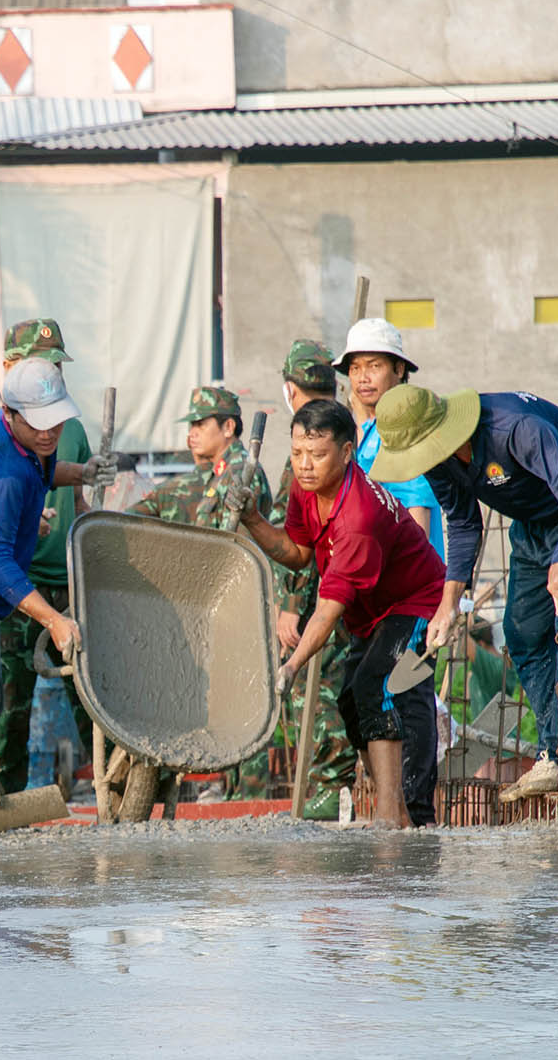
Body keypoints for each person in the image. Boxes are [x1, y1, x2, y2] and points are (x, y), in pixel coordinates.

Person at [369, 385, 558, 801]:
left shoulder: (514, 429)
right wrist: (447, 606)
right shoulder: (439, 461)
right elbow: (462, 522)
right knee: (521, 632)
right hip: (537, 516)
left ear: (438, 433)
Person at [232, 400, 445, 828]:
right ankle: (396, 813)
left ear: (347, 452)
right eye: (297, 453)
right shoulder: (304, 487)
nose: (305, 465)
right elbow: (297, 553)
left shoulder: (359, 517)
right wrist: (253, 520)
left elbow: (329, 609)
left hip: (416, 602)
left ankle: (393, 816)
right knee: (349, 703)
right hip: (370, 611)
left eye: (318, 454)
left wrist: (291, 664)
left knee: (376, 684)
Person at [0, 359, 116, 805]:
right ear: (9, 413)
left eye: (55, 422)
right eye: (37, 424)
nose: (48, 434)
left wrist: (80, 472)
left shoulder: (24, 444)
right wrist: (53, 619)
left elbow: (41, 468)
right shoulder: (1, 475)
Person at [249, 340, 357, 816]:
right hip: (333, 587)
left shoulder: (312, 452)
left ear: (288, 389)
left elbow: (303, 546)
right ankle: (328, 790)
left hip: (327, 595)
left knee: (321, 696)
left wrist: (287, 604)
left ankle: (332, 792)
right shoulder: (332, 438)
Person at [333, 318, 444, 555]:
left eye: (374, 366)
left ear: (399, 369)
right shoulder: (370, 428)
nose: (363, 377)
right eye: (355, 368)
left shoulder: (408, 428)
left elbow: (418, 520)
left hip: (406, 575)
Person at [130, 386, 271, 527]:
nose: (192, 433)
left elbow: (237, 542)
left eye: (201, 425)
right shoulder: (220, 471)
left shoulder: (239, 471)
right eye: (192, 426)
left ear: (228, 427)